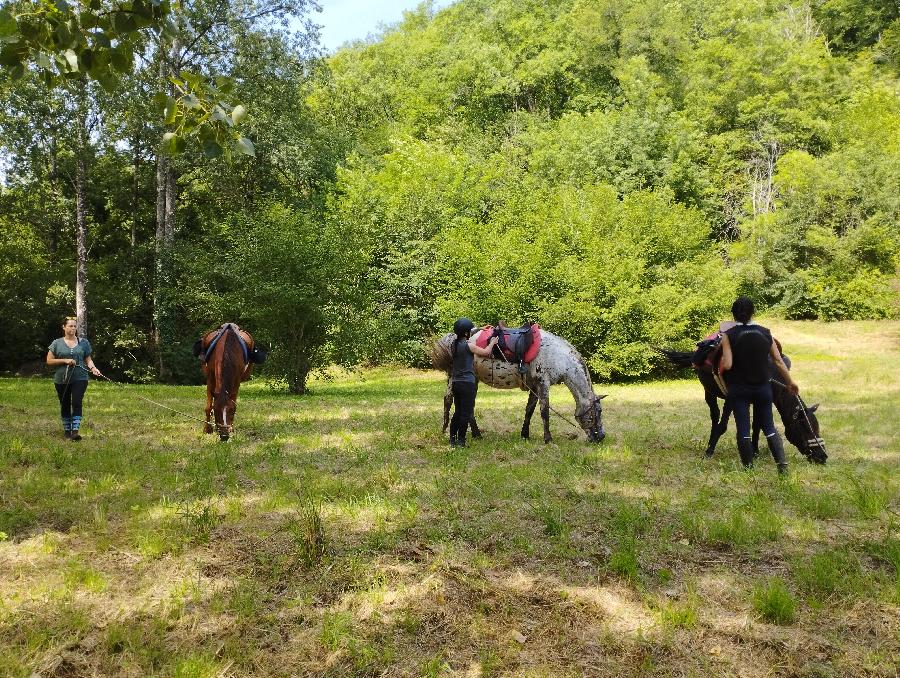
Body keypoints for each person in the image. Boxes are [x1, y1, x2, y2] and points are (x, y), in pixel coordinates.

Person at [719, 297, 798, 474]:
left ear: (734, 315)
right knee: (769, 426)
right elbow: (778, 361)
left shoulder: (728, 335)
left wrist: (722, 362)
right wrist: (790, 382)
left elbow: (729, 364)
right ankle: (782, 466)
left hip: (739, 389)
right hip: (763, 388)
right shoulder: (766, 332)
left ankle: (748, 469)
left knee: (743, 428)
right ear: (753, 312)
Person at [46, 317, 102, 441]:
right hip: (62, 378)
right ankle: (67, 432)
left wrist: (93, 368)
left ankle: (75, 432)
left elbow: (88, 358)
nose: (73, 328)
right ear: (64, 327)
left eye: (74, 326)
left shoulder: (84, 342)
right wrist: (65, 360)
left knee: (77, 402)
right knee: (65, 403)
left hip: (80, 377)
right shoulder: (56, 343)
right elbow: (49, 361)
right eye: (70, 326)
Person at [449, 317, 497, 447]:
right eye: (469, 331)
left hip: (456, 382)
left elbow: (465, 333)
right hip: (467, 383)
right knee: (466, 413)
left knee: (458, 412)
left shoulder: (453, 344)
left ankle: (452, 439)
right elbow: (486, 352)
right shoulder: (469, 346)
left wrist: (480, 328)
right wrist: (492, 342)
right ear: (466, 333)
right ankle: (461, 441)